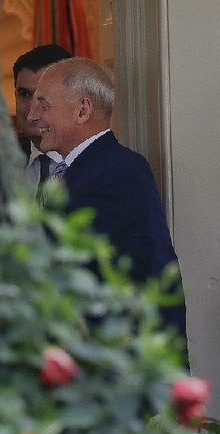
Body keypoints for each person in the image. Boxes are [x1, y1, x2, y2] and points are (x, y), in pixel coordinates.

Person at [27, 57, 186, 337]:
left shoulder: (112, 173)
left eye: (44, 104)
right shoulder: (106, 167)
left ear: (82, 110)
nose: (32, 115)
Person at [12, 44, 72, 197]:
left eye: (44, 95)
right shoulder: (1, 163)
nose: (33, 107)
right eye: (24, 94)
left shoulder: (106, 167)